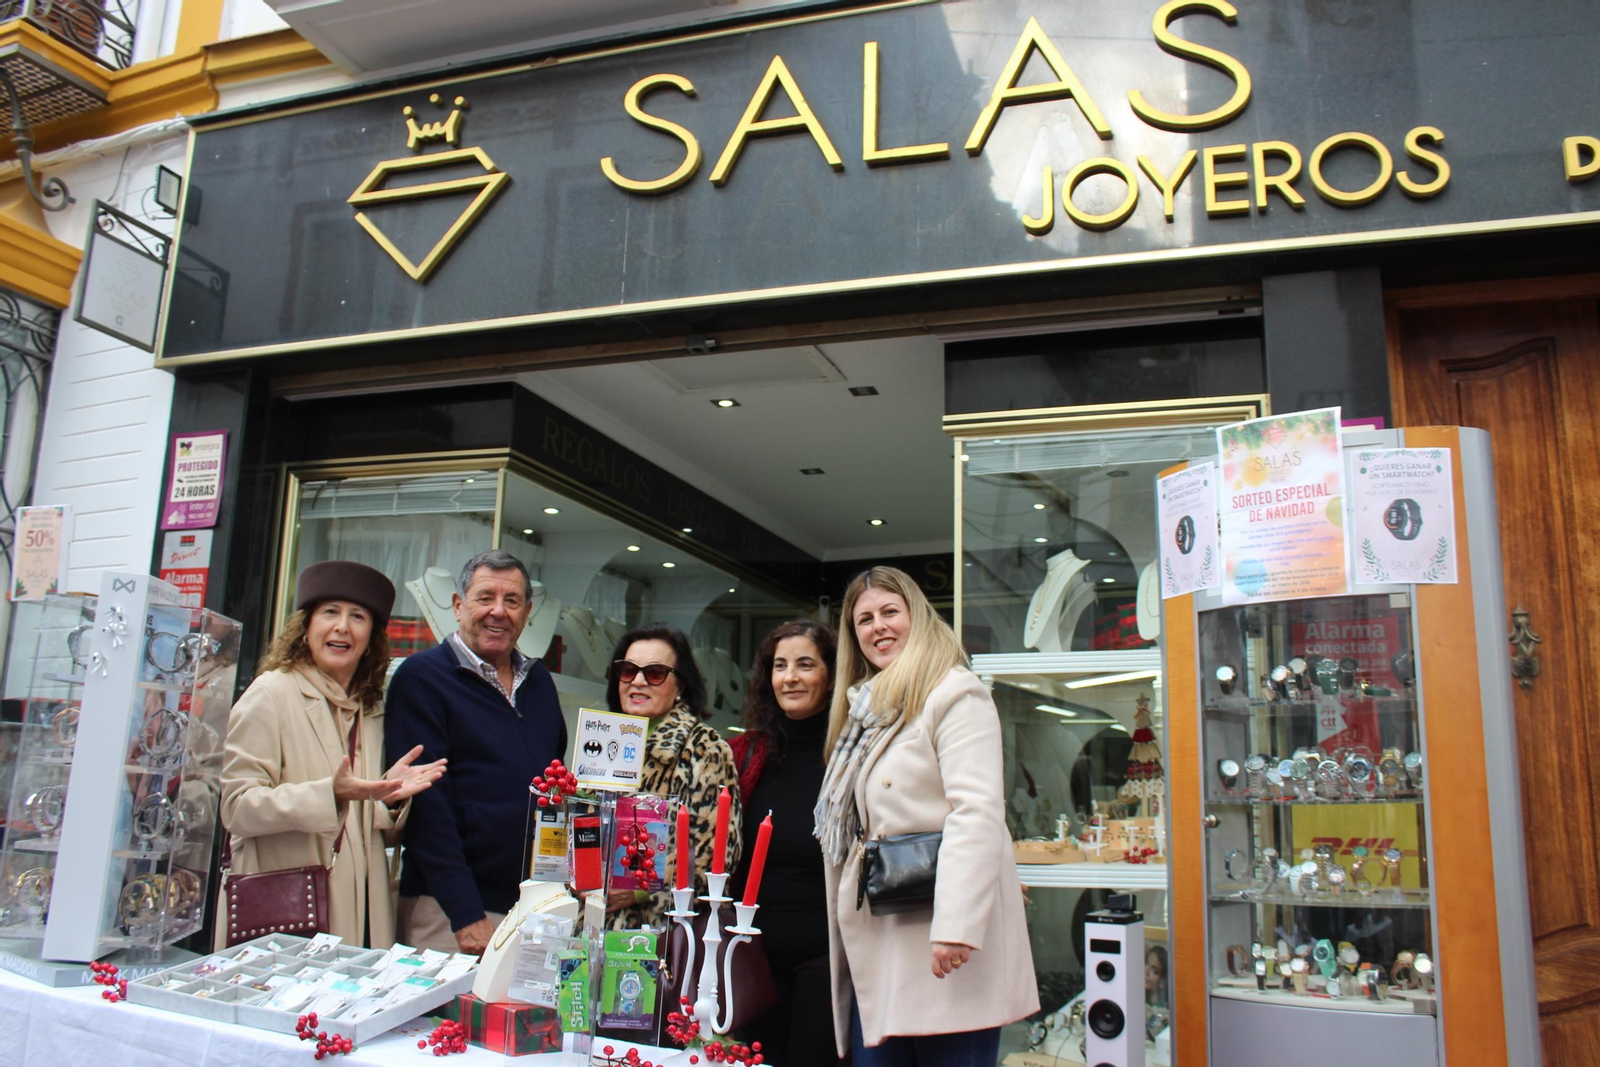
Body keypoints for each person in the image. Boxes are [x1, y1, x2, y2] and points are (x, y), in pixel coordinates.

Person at [816, 566, 1038, 1064]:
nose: (878, 627)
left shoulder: (954, 693)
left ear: (916, 616)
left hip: (946, 945)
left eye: (890, 612)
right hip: (885, 936)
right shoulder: (865, 712)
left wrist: (957, 925)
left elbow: (976, 813)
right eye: (865, 619)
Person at [220, 560, 446, 949]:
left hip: (362, 914)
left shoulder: (369, 709)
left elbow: (362, 823)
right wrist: (329, 794)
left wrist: (387, 797)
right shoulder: (271, 694)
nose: (342, 626)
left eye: (357, 616)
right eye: (330, 612)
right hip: (288, 913)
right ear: (305, 627)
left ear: (371, 638)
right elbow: (237, 807)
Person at [385, 550, 568, 953]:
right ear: (458, 605)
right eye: (485, 598)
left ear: (527, 612)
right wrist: (465, 914)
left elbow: (553, 791)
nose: (498, 611)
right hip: (449, 912)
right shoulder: (422, 679)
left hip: (531, 909)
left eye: (512, 601)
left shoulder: (539, 684)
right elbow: (427, 810)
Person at [728, 619, 843, 1067]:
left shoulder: (851, 756)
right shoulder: (744, 754)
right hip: (752, 956)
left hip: (826, 955)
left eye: (805, 664)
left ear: (831, 675)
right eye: (779, 666)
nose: (790, 677)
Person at [605, 622, 741, 930]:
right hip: (594, 926)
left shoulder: (705, 749)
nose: (638, 681)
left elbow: (712, 857)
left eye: (655, 673)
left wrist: (639, 889)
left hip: (661, 934)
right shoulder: (605, 742)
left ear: (681, 686)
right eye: (628, 670)